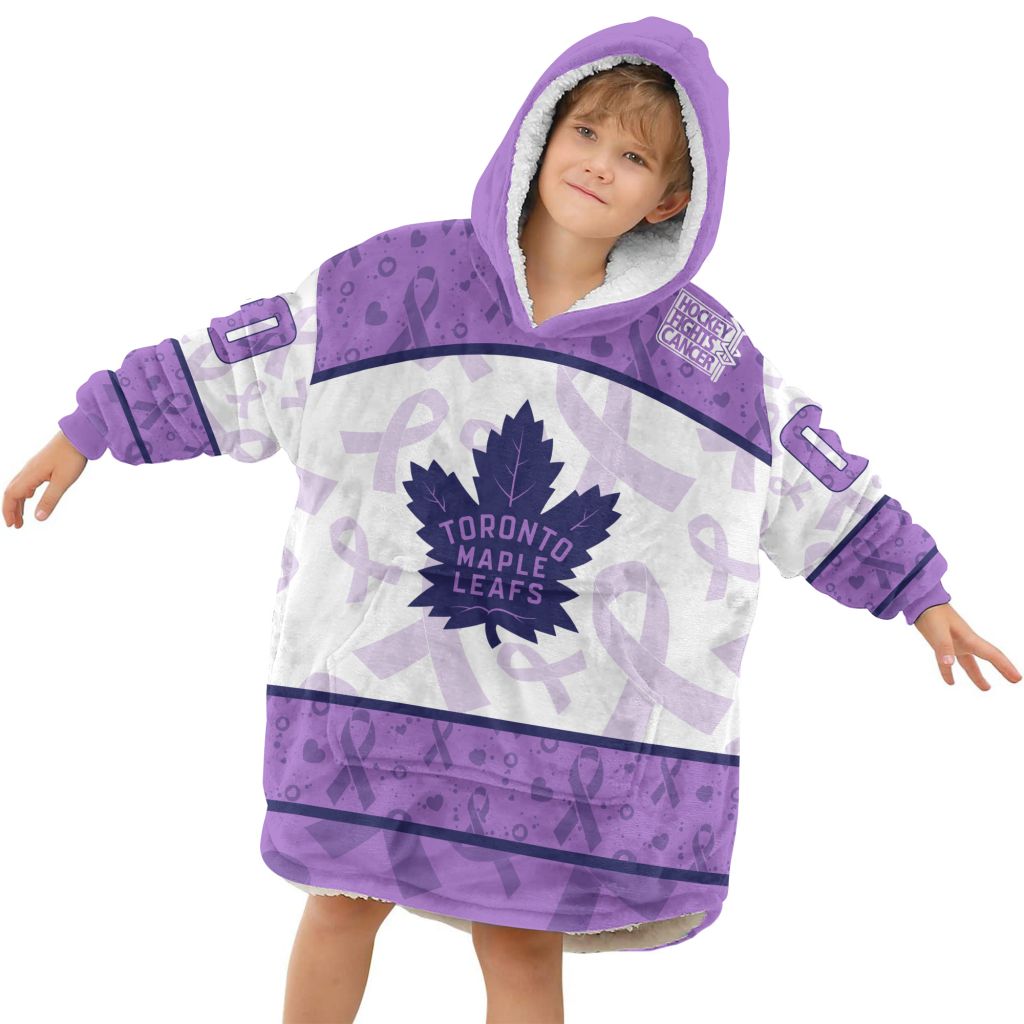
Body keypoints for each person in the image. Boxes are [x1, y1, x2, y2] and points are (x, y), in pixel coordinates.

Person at [4, 15, 1019, 1024]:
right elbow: (249, 356)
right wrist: (96, 426)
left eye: (634, 157)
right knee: (343, 901)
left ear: (673, 199)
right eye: (585, 131)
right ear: (539, 130)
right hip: (380, 695)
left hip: (560, 735)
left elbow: (805, 468)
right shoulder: (394, 284)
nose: (599, 163)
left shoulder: (701, 354)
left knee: (522, 939)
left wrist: (918, 593)